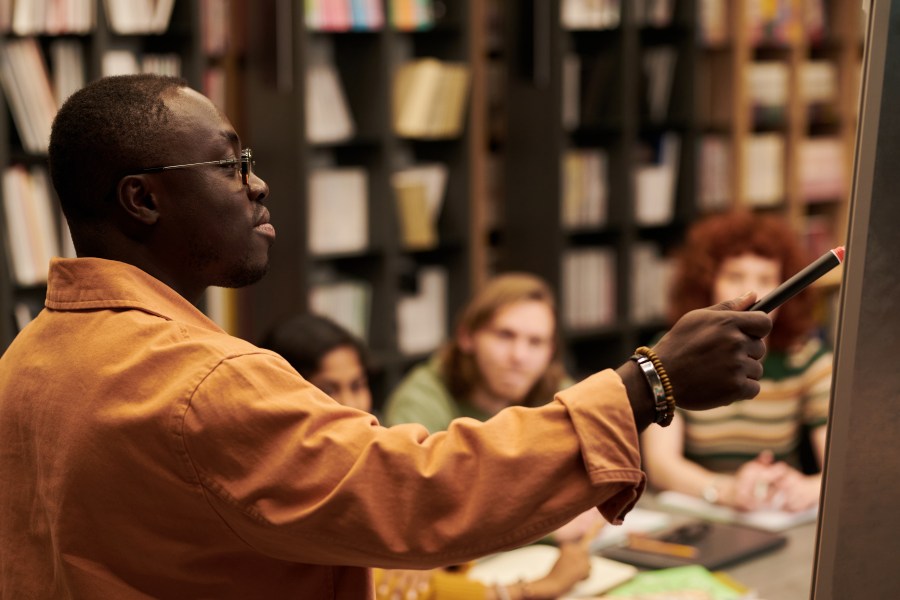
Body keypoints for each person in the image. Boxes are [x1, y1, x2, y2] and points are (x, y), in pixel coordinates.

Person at [0, 74, 771, 599]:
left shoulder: (25, 362)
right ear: (142, 200)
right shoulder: (201, 382)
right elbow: (421, 495)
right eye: (230, 163)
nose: (257, 183)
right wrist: (647, 383)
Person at [261, 312, 595, 599]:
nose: (351, 404)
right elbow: (396, 589)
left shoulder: (359, 452)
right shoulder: (288, 480)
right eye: (329, 389)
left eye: (358, 385)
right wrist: (541, 587)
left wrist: (428, 549)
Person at [641, 211, 833, 513]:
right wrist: (726, 490)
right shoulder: (667, 354)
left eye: (767, 279)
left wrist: (805, 488)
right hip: (700, 513)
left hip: (777, 513)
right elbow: (661, 465)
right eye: (734, 277)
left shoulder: (809, 360)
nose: (752, 295)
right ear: (708, 284)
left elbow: (842, 466)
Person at [383, 272, 569, 433]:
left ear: (550, 352)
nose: (519, 356)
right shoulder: (421, 400)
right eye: (505, 335)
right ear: (466, 336)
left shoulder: (560, 394)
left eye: (536, 342)